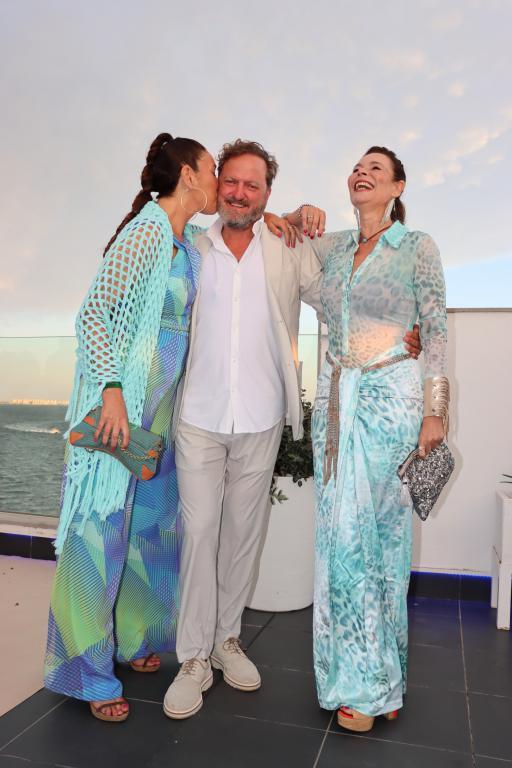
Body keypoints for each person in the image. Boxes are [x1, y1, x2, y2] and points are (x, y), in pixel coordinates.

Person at [162, 140, 422, 721]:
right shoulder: (192, 248)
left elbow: (345, 298)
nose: (239, 193)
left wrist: (403, 330)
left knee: (244, 536)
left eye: (252, 185)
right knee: (200, 534)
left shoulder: (285, 247)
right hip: (198, 417)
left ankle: (228, 641)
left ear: (266, 194)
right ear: (218, 184)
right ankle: (193, 658)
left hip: (260, 419)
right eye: (231, 181)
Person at [44, 132, 220, 722]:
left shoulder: (187, 242)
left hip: (162, 413)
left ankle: (135, 636)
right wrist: (113, 393)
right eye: (212, 170)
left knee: (150, 531)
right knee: (98, 536)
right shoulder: (146, 232)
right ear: (188, 175)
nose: (217, 180)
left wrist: (286, 218)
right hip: (122, 411)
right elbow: (93, 314)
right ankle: (87, 672)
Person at [285, 147, 449, 732]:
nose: (363, 173)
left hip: (390, 402)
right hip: (336, 404)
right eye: (358, 166)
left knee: (380, 540)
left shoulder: (416, 246)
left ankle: (374, 684)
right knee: (340, 540)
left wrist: (435, 412)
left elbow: (435, 328)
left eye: (376, 168)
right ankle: (361, 678)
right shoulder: (332, 249)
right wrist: (295, 214)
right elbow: (276, 238)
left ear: (398, 186)